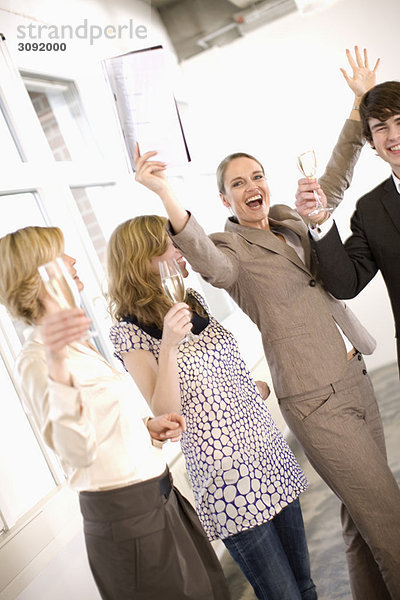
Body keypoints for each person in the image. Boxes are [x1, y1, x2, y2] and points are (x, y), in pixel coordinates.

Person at [131, 48, 400, 600]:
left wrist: (359, 106)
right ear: (225, 198)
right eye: (237, 183)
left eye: (257, 176)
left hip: (357, 380)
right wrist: (164, 193)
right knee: (391, 519)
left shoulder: (293, 223)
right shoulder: (232, 250)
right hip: (314, 400)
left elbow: (335, 175)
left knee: (359, 519)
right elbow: (206, 258)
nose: (251, 186)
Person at [0, 225, 231, 600]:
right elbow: (72, 449)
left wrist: (146, 428)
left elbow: (96, 423)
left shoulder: (73, 345)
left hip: (160, 496)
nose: (74, 260)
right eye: (62, 256)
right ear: (38, 276)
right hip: (126, 517)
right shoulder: (39, 358)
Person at [106, 214, 317, 600]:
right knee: (283, 595)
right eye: (170, 244)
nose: (180, 248)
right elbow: (165, 411)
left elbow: (218, 371)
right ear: (144, 258)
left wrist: (250, 388)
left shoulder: (193, 300)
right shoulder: (129, 331)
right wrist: (168, 343)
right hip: (227, 478)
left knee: (305, 584)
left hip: (267, 450)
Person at [296, 79, 400, 374]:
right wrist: (319, 221)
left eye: (399, 122)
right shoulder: (371, 211)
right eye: (381, 127)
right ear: (371, 141)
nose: (392, 136)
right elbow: (346, 284)